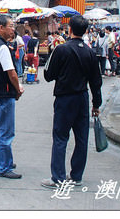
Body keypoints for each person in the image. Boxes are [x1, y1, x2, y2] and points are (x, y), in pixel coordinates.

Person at [41, 14, 102, 189]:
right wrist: (96, 104)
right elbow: (96, 82)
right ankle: (76, 176)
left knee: (60, 137)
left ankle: (58, 177)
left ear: (69, 29)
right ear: (86, 31)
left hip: (65, 98)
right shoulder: (90, 52)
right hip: (82, 98)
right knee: (81, 138)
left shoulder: (61, 50)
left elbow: (48, 75)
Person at [0, 14, 24, 179]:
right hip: (4, 92)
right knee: (5, 131)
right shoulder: (1, 47)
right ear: (1, 27)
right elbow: (12, 73)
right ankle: (4, 166)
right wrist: (18, 89)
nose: (13, 29)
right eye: (10, 26)